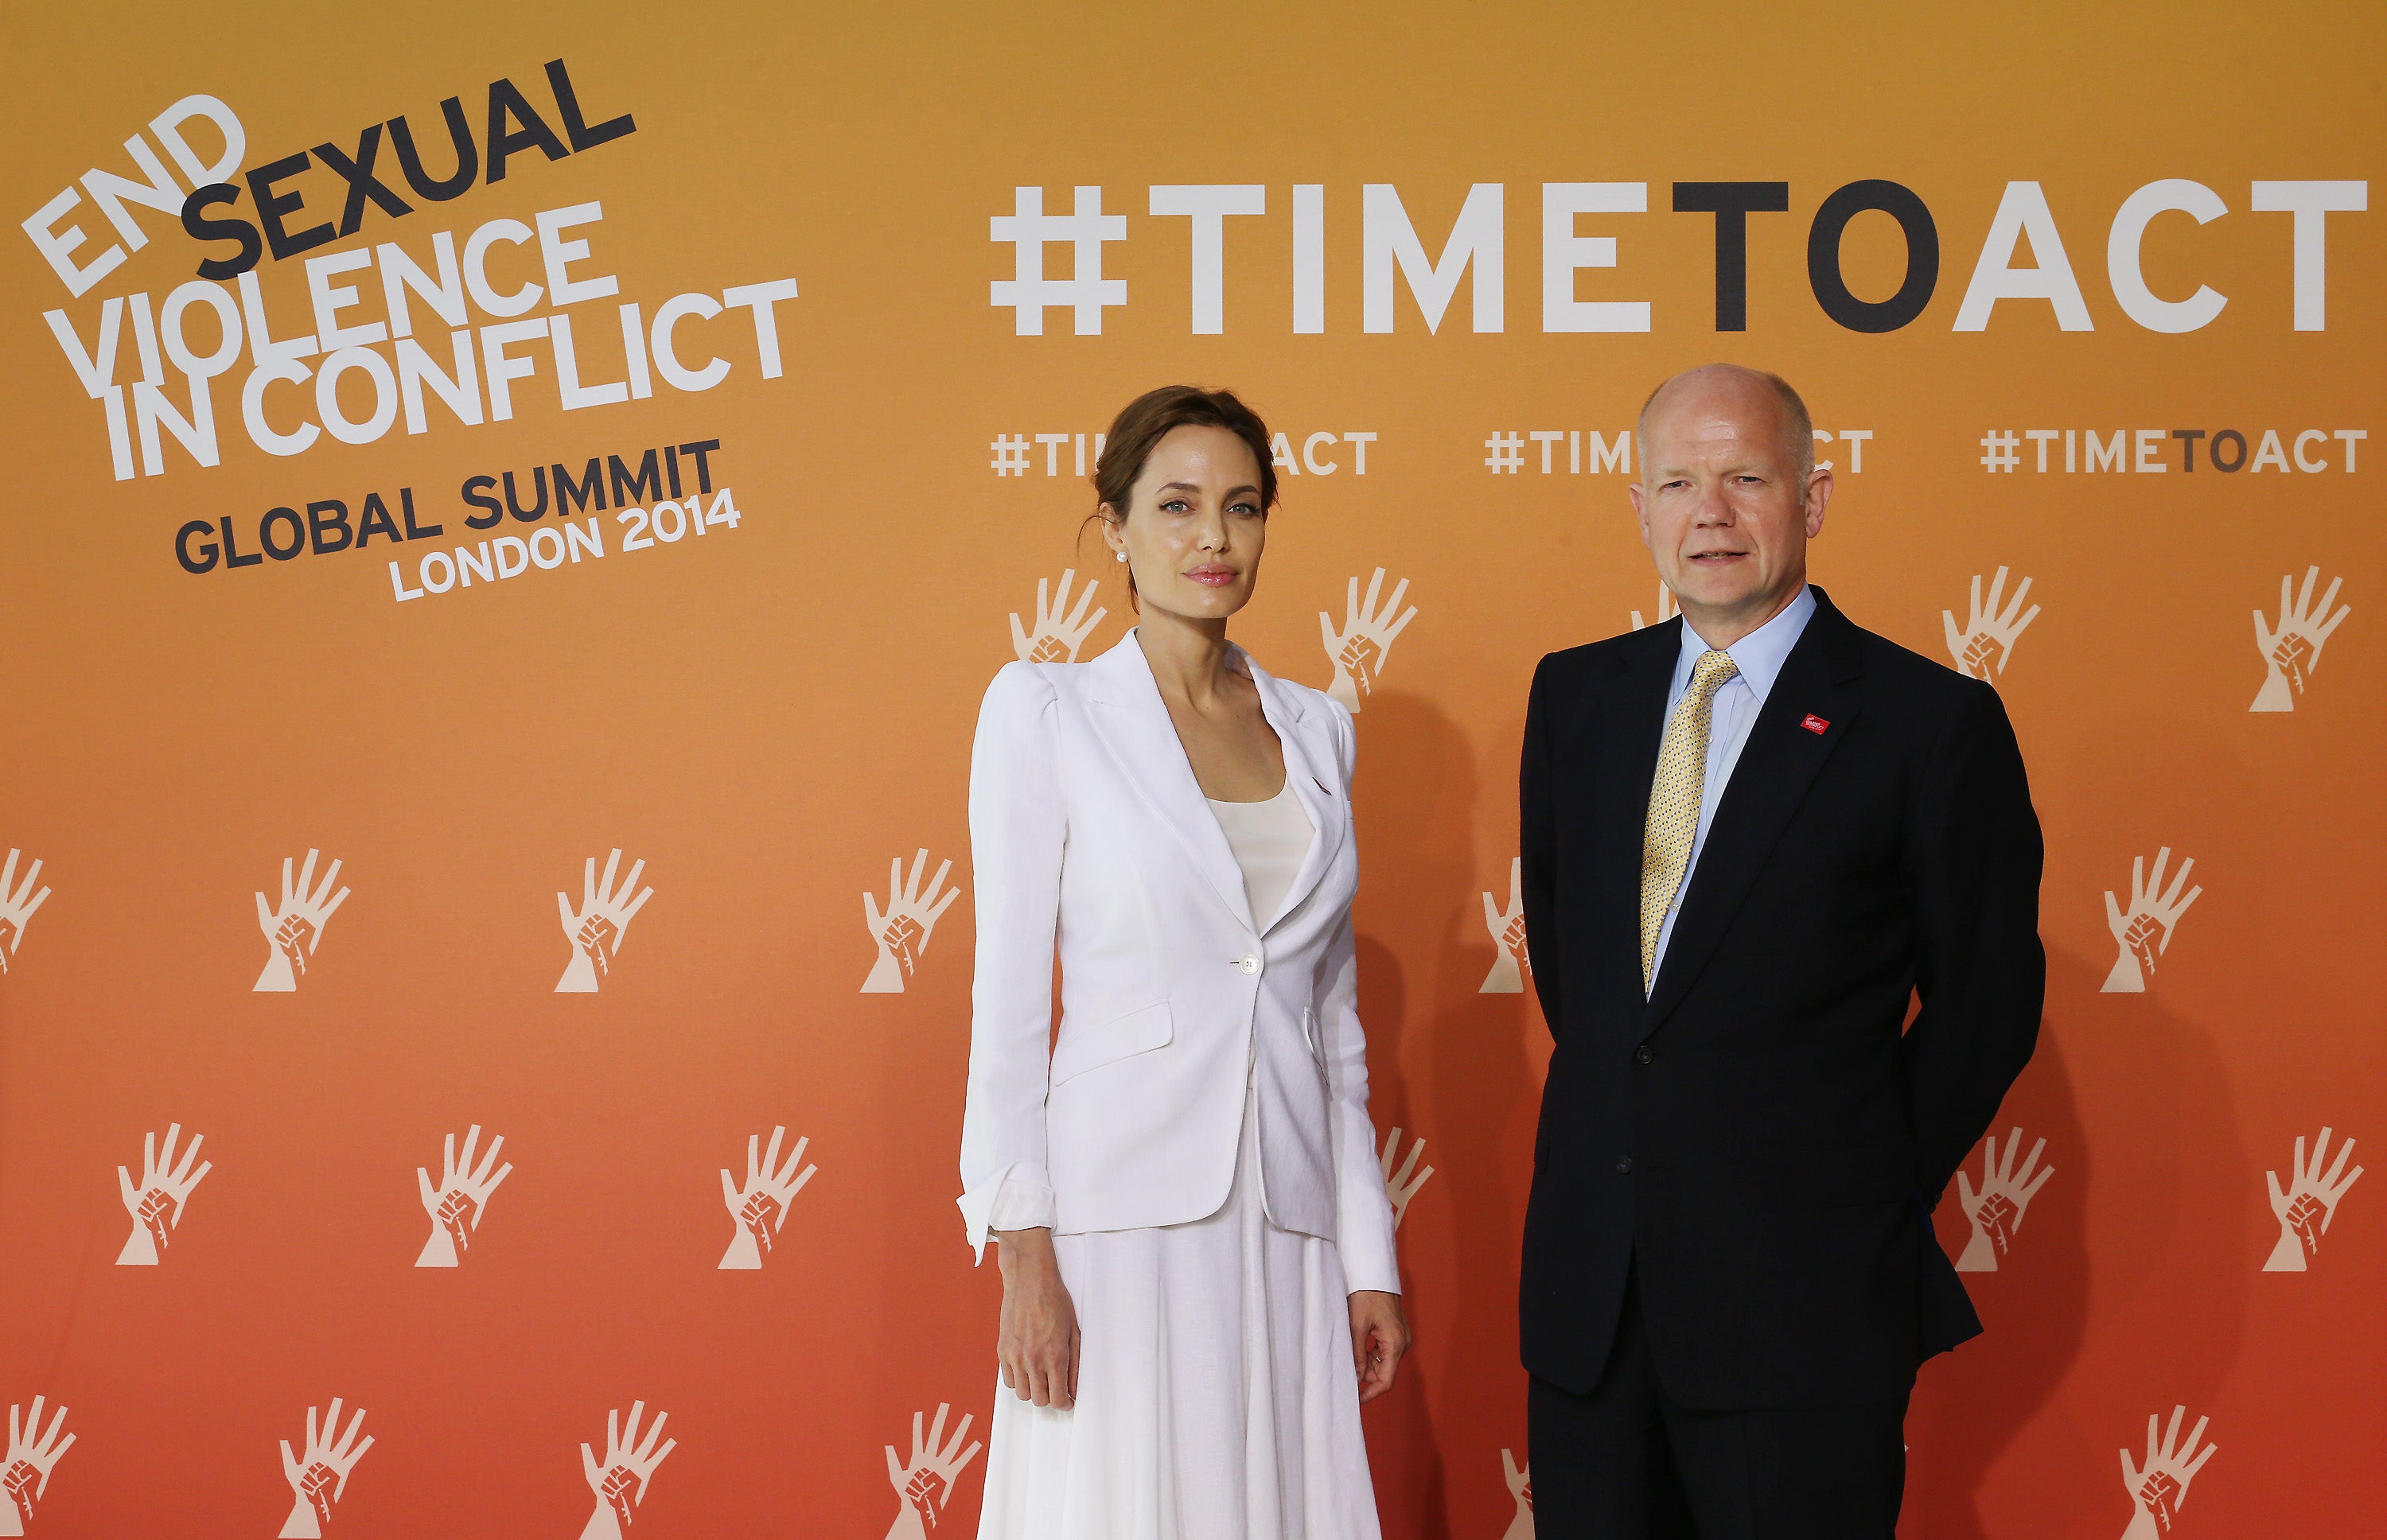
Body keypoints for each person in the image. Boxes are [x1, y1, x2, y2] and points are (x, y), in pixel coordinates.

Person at [1516, 364, 2045, 1538]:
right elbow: (1588, 982)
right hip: (1593, 1301)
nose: (1710, 512)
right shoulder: (1576, 700)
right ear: (1640, 507)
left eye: (1746, 477)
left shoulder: (1927, 722)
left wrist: (1850, 1177)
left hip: (1802, 1302)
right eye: (1678, 481)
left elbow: (1987, 1006)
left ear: (1813, 497)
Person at [960, 385, 1410, 1539]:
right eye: (1176, 505)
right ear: (1115, 529)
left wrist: (1368, 1257)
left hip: (1286, 1223)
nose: (1213, 536)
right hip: (1119, 1231)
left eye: (1242, 506)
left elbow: (1333, 1029)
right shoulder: (1046, 710)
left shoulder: (1319, 729)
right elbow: (1008, 1009)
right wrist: (1025, 1259)